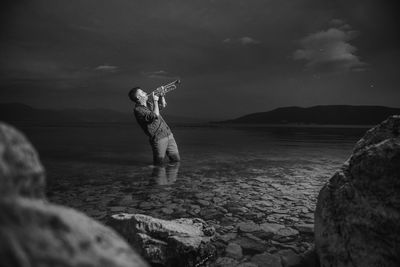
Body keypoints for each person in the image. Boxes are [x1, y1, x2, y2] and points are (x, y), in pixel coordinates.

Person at [128, 86, 180, 166]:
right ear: (138, 97)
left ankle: (172, 177)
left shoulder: (149, 104)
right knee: (158, 164)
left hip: (168, 134)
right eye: (142, 92)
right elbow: (155, 115)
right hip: (158, 138)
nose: (145, 93)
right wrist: (155, 100)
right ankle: (157, 177)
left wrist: (162, 96)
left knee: (176, 161)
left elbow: (162, 106)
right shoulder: (138, 110)